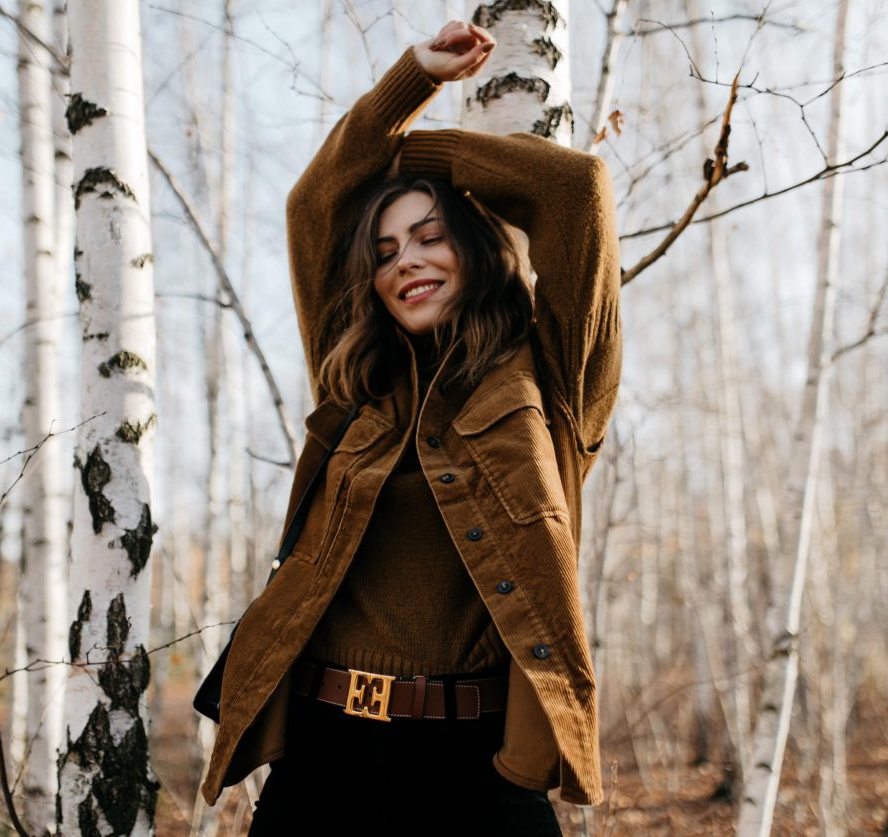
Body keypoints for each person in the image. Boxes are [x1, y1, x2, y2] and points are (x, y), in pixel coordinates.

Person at [198, 20, 623, 834]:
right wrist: (407, 82)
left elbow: (578, 194)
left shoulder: (551, 381)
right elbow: (314, 203)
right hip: (324, 754)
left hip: (480, 761)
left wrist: (414, 154)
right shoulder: (356, 377)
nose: (407, 261)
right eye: (387, 250)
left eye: (430, 237)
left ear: (473, 252)